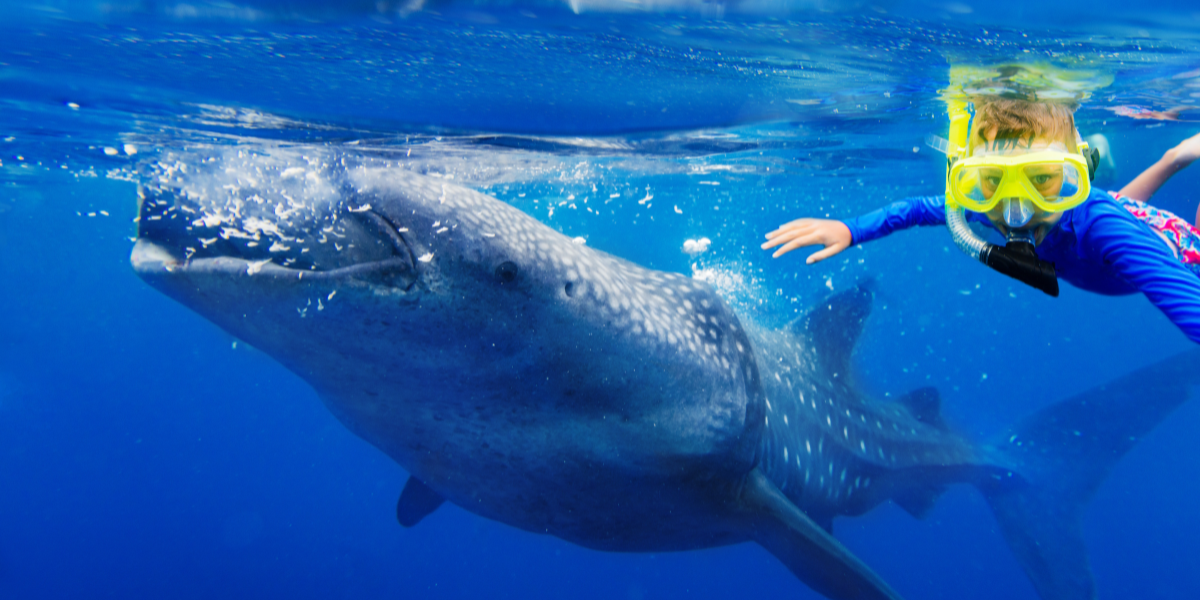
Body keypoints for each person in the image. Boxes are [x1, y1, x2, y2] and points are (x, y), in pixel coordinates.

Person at [761, 96, 1200, 344]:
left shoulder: (1107, 230)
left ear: (1071, 174)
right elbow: (914, 209)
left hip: (1174, 242)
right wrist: (850, 229)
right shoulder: (980, 208)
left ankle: (1176, 155)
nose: (1016, 212)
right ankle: (1174, 155)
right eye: (991, 181)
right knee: (1110, 210)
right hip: (1108, 219)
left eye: (1042, 180)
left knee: (1112, 218)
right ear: (971, 180)